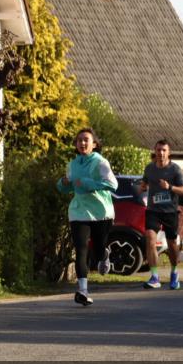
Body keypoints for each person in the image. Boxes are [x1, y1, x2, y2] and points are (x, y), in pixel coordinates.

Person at [57, 128, 118, 306]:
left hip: (101, 212)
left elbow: (113, 185)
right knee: (81, 249)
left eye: (86, 140)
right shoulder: (72, 164)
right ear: (76, 145)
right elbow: (67, 187)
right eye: (79, 140)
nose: (82, 143)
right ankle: (82, 290)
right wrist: (63, 183)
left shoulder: (101, 162)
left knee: (98, 251)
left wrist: (88, 183)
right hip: (79, 211)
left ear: (95, 144)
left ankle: (104, 254)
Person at [139, 139, 183, 290]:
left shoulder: (175, 170)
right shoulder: (149, 169)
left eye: (164, 150)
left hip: (170, 211)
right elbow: (145, 183)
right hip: (153, 210)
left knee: (172, 245)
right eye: (158, 150)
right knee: (150, 238)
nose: (161, 153)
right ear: (155, 151)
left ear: (169, 152)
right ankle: (155, 277)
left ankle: (174, 272)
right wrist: (142, 187)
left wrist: (170, 187)